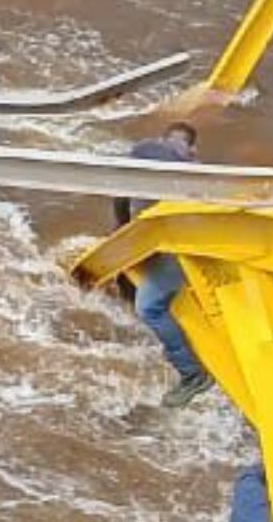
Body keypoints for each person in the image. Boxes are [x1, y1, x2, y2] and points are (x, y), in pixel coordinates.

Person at [111, 121, 215, 408]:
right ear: (192, 148)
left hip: (168, 242)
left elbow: (120, 197)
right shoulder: (200, 169)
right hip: (192, 239)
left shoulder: (143, 149)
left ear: (163, 138)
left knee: (149, 307)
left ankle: (193, 375)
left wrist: (121, 230)